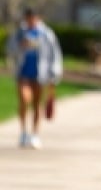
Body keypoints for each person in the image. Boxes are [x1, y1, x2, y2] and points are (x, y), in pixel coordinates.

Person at [5, 8, 63, 149]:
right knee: (24, 100)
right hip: (23, 73)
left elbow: (54, 54)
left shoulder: (46, 34)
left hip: (40, 74)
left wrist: (54, 74)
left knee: (37, 105)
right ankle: (23, 132)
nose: (30, 21)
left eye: (32, 18)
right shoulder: (20, 33)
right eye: (28, 18)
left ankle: (35, 134)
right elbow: (9, 49)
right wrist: (21, 45)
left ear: (37, 18)